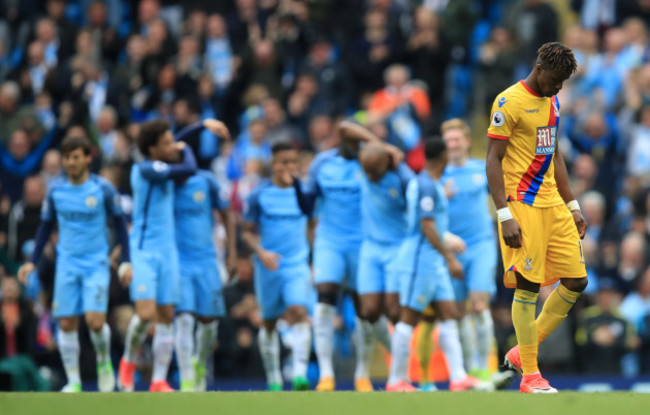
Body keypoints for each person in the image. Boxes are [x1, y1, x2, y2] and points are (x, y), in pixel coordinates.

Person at [485, 42, 588, 393]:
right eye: (556, 80)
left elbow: (554, 154)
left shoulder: (552, 100)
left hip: (553, 204)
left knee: (576, 281)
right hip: (521, 205)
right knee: (528, 287)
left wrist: (573, 205)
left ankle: (520, 353)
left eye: (563, 83)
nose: (559, 87)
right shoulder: (508, 102)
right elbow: (492, 159)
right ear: (540, 69)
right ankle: (530, 375)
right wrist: (503, 214)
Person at [117, 118, 227, 392]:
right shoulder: (144, 169)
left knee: (167, 316)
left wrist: (202, 125)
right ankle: (128, 361)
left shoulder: (162, 164)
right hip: (144, 251)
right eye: (166, 143)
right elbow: (189, 166)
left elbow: (174, 143)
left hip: (169, 253)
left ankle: (158, 380)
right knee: (145, 314)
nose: (174, 146)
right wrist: (185, 145)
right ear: (152, 149)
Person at [17, 135, 132, 393]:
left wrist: (126, 260)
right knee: (66, 323)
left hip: (96, 264)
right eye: (67, 157)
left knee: (94, 321)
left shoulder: (103, 189)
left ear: (88, 158)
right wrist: (32, 262)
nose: (70, 162)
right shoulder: (56, 191)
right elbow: (46, 226)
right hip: (66, 264)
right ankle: (74, 381)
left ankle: (104, 361)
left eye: (76, 157)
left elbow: (119, 225)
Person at [385, 138, 491, 392]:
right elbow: (427, 226)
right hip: (420, 260)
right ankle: (395, 380)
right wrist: (450, 257)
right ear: (443, 157)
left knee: (449, 314)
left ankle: (458, 377)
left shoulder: (429, 184)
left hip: (434, 261)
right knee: (409, 318)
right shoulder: (425, 186)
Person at [241, 142, 312, 391]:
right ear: (273, 165)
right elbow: (247, 232)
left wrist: (311, 260)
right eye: (284, 162)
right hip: (269, 266)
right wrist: (261, 252)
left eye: (293, 162)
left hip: (297, 264)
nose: (289, 167)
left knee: (299, 312)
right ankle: (273, 377)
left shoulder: (303, 192)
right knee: (269, 321)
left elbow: (311, 221)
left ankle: (300, 374)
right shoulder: (258, 194)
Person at [441, 119, 497, 381]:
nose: (452, 144)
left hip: (481, 244)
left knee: (478, 305)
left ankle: (484, 367)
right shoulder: (438, 176)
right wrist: (441, 197)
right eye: (448, 140)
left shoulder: (480, 169)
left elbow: (502, 195)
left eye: (456, 139)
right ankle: (468, 369)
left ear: (466, 141)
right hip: (451, 250)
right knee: (458, 311)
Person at [173, 164, 237, 392]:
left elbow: (227, 213)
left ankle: (199, 362)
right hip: (179, 262)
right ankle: (187, 378)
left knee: (209, 323)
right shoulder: (166, 183)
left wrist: (231, 252)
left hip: (207, 260)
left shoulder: (206, 180)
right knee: (184, 319)